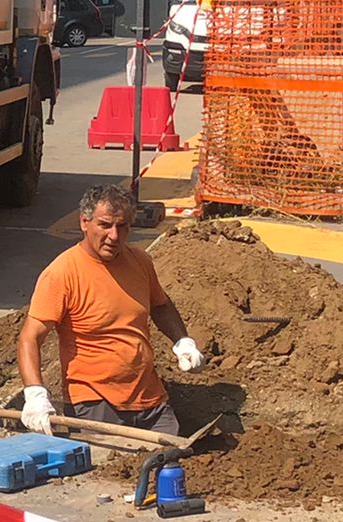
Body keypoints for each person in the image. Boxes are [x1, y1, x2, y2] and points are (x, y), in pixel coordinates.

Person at [17, 183, 204, 438]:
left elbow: (160, 305)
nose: (115, 236)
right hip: (95, 403)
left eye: (123, 226)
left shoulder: (140, 262)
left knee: (170, 463)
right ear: (84, 222)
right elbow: (30, 338)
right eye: (105, 225)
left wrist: (183, 341)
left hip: (150, 399)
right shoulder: (63, 273)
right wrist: (35, 394)